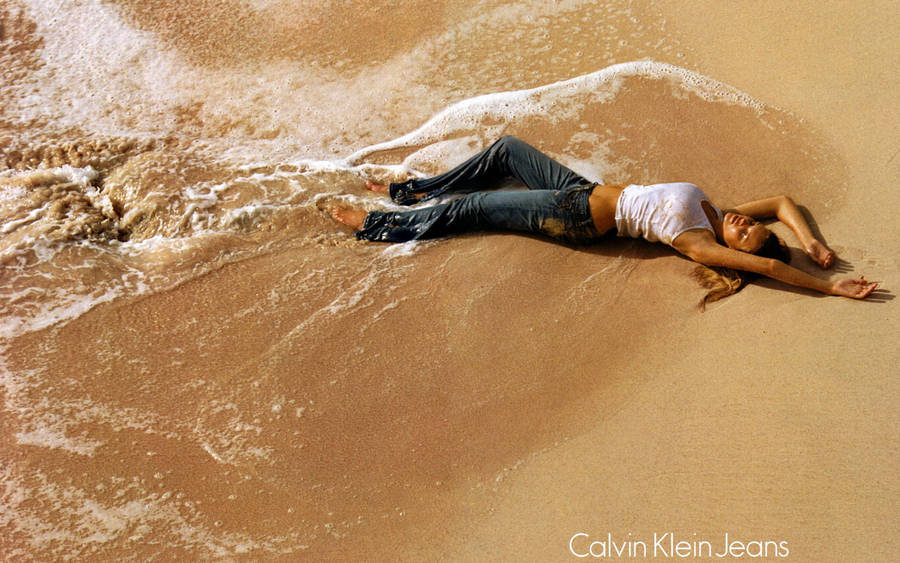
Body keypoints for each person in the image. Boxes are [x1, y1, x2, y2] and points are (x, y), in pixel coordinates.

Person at [332, 135, 878, 306]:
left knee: (474, 209)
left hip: (573, 217)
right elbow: (782, 201)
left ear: (734, 251)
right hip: (581, 190)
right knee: (506, 151)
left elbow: (774, 269)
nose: (742, 220)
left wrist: (829, 286)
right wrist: (811, 242)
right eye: (749, 224)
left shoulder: (697, 241)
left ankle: (377, 227)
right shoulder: (713, 212)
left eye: (744, 232)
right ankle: (409, 192)